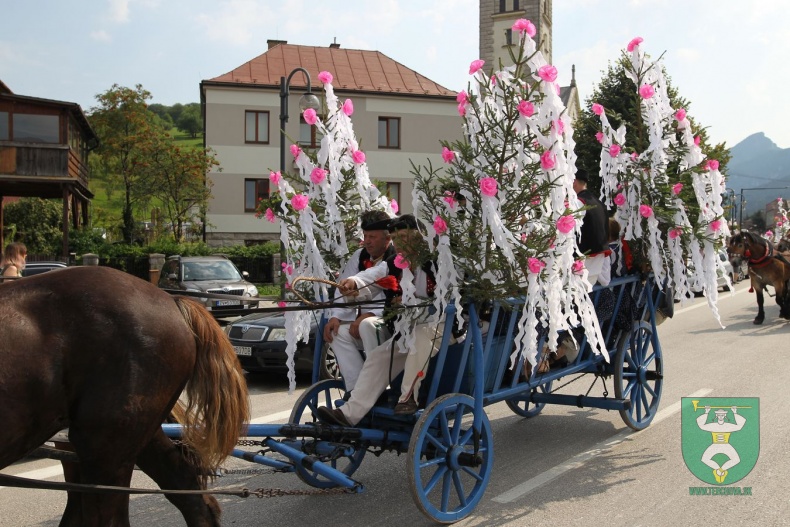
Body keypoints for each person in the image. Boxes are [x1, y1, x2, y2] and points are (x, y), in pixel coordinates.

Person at [317, 214, 442, 426]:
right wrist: (354, 283)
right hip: (409, 330)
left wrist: (413, 300)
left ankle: (408, 398)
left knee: (420, 337)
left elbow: (451, 296)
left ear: (420, 237)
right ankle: (349, 414)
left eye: (404, 236)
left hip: (441, 326)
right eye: (396, 238)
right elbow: (373, 276)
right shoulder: (395, 263)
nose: (399, 244)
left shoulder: (437, 261)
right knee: (378, 357)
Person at [322, 210, 396, 393]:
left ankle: (375, 387)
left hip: (390, 324)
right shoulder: (359, 256)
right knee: (337, 333)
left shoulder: (395, 258)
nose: (367, 241)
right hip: (361, 322)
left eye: (372, 236)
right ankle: (356, 391)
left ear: (387, 239)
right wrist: (336, 316)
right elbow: (347, 287)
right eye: (365, 236)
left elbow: (376, 280)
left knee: (368, 325)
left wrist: (369, 315)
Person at [573, 170, 610, 286]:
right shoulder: (599, 204)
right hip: (597, 260)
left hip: (582, 259)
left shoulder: (578, 203)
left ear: (574, 183)